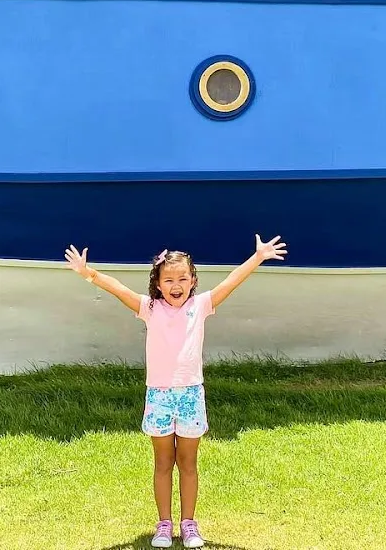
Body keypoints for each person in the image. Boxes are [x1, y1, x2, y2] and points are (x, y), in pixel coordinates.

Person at [64, 234, 288, 549]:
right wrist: (88, 273)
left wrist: (258, 256)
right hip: (158, 396)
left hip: (190, 396)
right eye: (168, 280)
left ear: (192, 280)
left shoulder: (201, 305)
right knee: (162, 464)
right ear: (157, 284)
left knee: (188, 464)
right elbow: (118, 289)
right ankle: (164, 525)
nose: (176, 285)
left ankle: (189, 524)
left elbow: (231, 281)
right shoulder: (149, 308)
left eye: (182, 278)